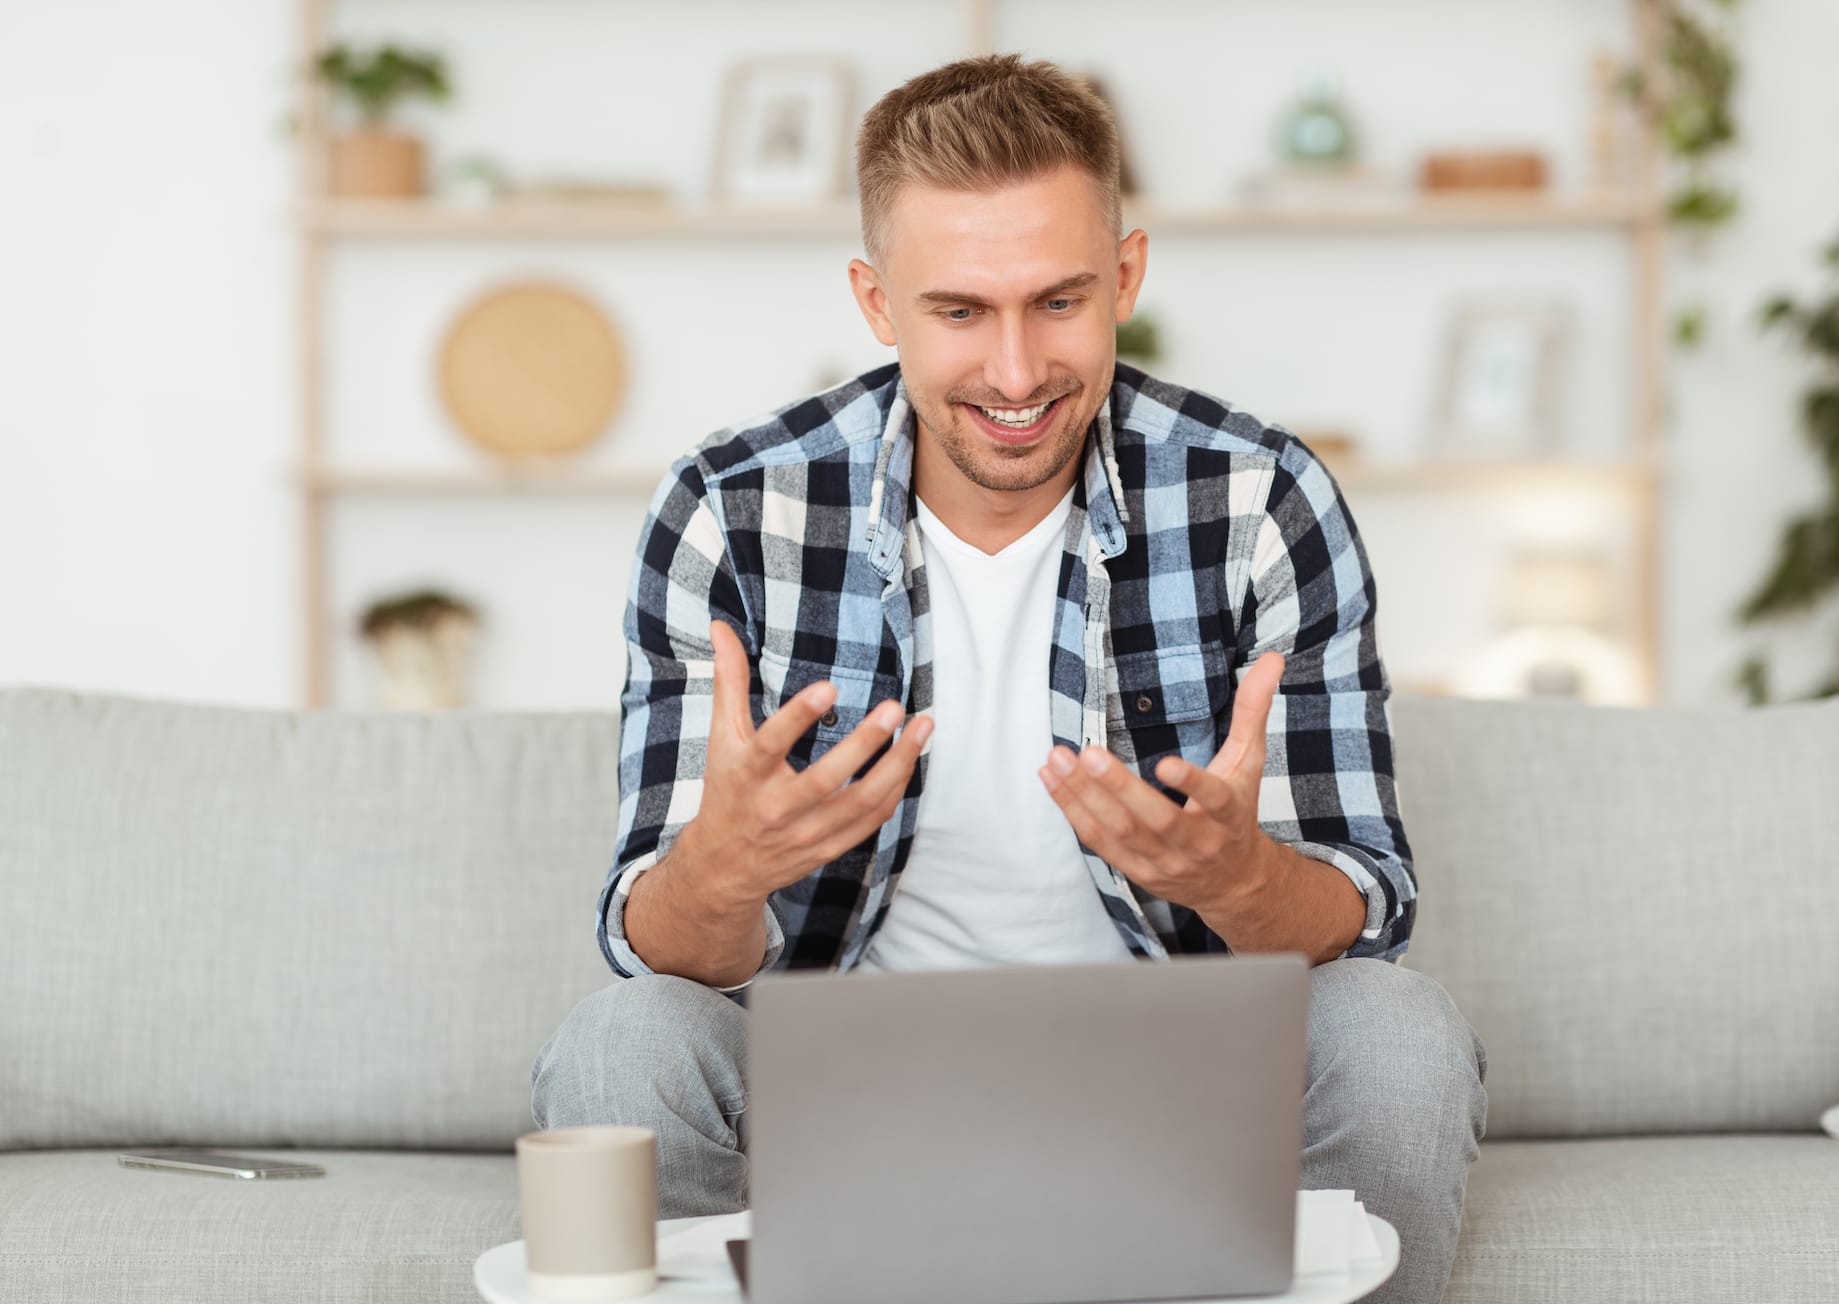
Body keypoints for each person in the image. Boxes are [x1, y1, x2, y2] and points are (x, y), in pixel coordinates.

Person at [531, 53, 1487, 1304]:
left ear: (1126, 278)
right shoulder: (730, 508)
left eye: (1058, 301)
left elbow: (1367, 909)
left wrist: (1238, 877)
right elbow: (647, 941)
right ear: (878, 303)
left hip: (1176, 1093)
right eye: (960, 311)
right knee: (621, 1040)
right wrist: (724, 868)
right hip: (835, 1102)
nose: (1018, 371)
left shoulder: (1259, 499)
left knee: (1401, 1032)